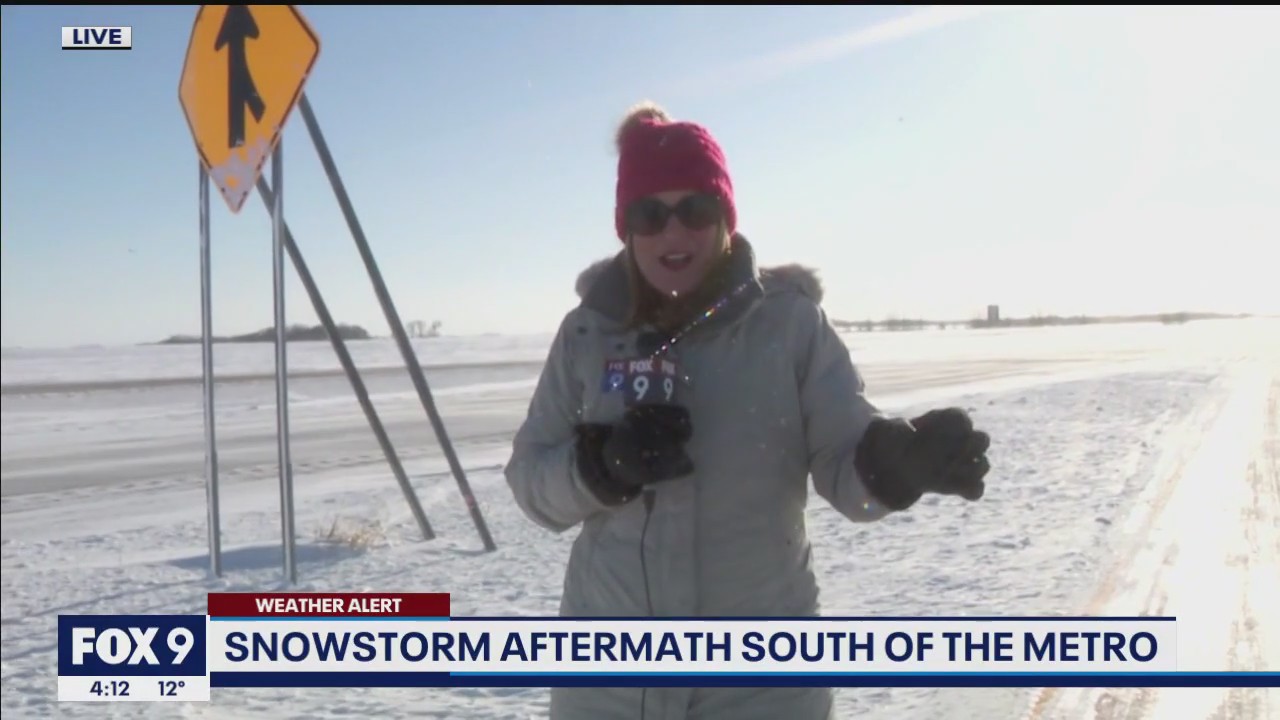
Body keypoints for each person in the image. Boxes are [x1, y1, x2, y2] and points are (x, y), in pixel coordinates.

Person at [503, 101, 992, 720]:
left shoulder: (788, 326)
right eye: (649, 214)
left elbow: (846, 471)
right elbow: (530, 481)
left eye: (695, 210)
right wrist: (601, 466)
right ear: (625, 227)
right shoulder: (587, 334)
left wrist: (897, 466)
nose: (672, 233)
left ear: (726, 219)